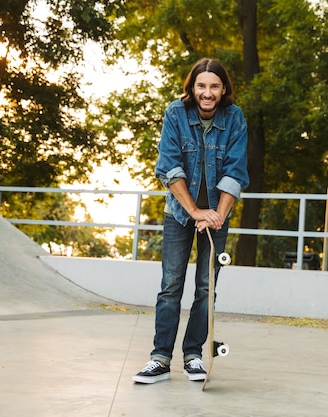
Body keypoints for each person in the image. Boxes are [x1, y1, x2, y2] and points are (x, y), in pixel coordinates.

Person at [133, 58, 249, 384]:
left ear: (223, 89)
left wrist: (216, 216)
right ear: (192, 88)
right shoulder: (175, 114)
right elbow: (169, 168)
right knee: (170, 287)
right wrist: (195, 212)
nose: (207, 92)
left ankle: (193, 356)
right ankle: (159, 359)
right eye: (201, 86)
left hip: (217, 215)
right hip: (178, 214)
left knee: (205, 288)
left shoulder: (235, 118)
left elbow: (235, 172)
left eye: (214, 86)